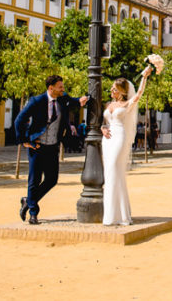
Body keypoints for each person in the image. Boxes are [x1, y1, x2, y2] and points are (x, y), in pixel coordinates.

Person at [14, 75, 88, 225]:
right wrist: (24, 141)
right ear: (51, 88)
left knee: (52, 180)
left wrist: (84, 99)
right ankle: (33, 214)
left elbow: (76, 102)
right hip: (37, 146)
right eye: (60, 86)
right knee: (34, 180)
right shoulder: (36, 101)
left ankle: (28, 201)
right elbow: (19, 120)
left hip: (53, 146)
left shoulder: (62, 98)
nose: (63, 89)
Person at [102, 69, 151, 226]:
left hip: (119, 137)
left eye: (115, 89)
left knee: (113, 168)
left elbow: (140, 93)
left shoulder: (126, 104)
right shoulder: (108, 104)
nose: (111, 91)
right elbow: (102, 122)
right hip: (107, 139)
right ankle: (115, 215)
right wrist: (102, 128)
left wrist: (144, 77)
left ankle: (118, 215)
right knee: (110, 173)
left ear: (122, 91)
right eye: (112, 88)